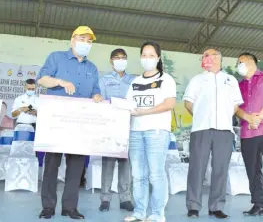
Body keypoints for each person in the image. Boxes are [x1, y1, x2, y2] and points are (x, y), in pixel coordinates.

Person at [36, 26, 103, 220]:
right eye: (82, 39)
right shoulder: (56, 57)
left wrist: (97, 96)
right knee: (51, 166)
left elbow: (95, 91)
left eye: (89, 41)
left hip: (80, 125)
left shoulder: (92, 68)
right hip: (57, 122)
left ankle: (70, 207)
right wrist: (61, 82)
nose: (86, 44)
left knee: (76, 167)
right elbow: (42, 80)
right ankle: (48, 207)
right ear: (72, 40)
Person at [183, 49, 243, 219]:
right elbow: (188, 103)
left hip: (224, 131)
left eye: (209, 55)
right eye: (204, 56)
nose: (206, 58)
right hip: (201, 129)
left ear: (218, 58)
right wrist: (202, 116)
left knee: (221, 169)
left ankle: (216, 207)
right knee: (197, 168)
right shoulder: (197, 79)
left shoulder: (230, 80)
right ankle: (193, 206)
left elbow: (236, 105)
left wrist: (224, 116)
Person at [124, 41, 176, 222]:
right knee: (138, 175)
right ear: (140, 58)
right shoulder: (135, 82)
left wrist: (145, 112)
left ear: (158, 58)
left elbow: (169, 104)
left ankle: (157, 213)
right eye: (144, 55)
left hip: (156, 132)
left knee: (156, 173)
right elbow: (128, 106)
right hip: (135, 132)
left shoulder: (166, 79)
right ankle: (139, 212)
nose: (147, 59)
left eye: (151, 55)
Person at [98, 48, 135, 212]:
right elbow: (101, 101)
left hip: (129, 126)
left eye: (123, 58)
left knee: (125, 164)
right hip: (110, 127)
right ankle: (105, 198)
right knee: (108, 164)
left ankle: (125, 198)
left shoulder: (134, 80)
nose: (120, 60)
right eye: (117, 58)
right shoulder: (104, 80)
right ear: (111, 61)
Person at [235, 52, 263, 216]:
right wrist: (247, 117)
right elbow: (235, 107)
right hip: (248, 133)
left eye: (241, 62)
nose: (239, 65)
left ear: (252, 62)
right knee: (253, 171)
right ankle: (258, 204)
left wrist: (259, 117)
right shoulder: (238, 86)